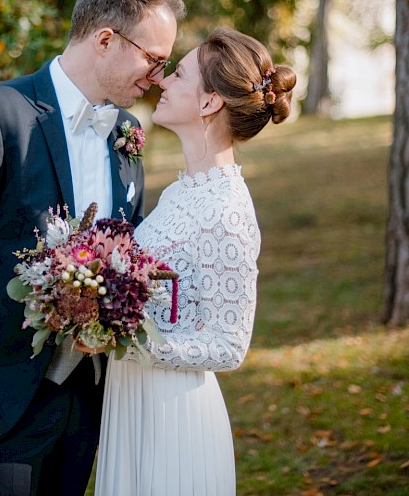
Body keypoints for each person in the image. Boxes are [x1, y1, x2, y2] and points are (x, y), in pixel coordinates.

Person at [0, 0, 186, 496]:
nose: (157, 77)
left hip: (88, 405)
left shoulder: (127, 133)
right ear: (106, 39)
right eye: (153, 60)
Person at [92, 28, 297, 496]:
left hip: (173, 418)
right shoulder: (184, 190)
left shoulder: (227, 211)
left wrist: (127, 340)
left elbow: (229, 345)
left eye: (179, 73)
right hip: (134, 403)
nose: (162, 81)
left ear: (209, 104)